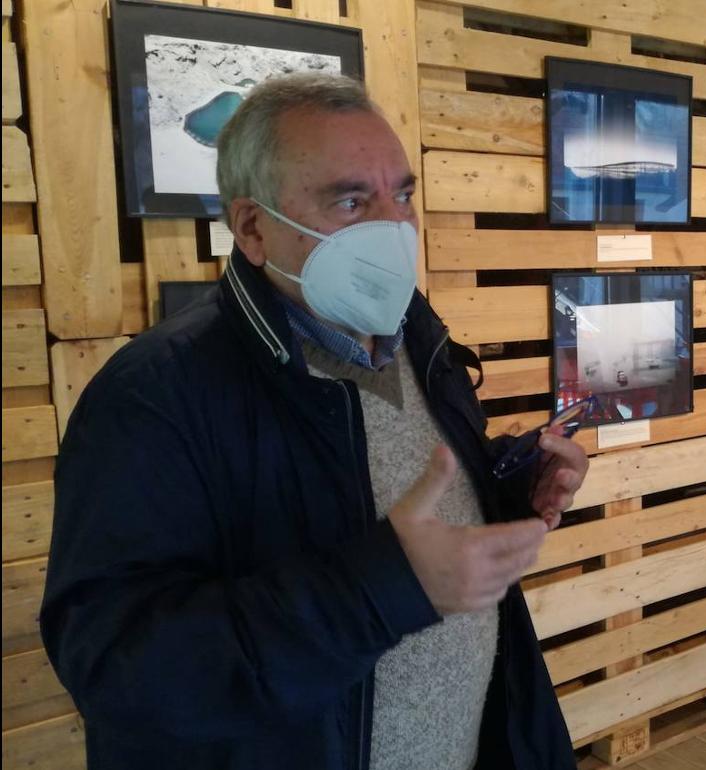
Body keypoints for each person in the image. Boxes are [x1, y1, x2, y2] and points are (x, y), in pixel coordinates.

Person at [40, 73, 587, 770]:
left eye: (404, 193)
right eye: (352, 199)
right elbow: (118, 669)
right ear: (253, 227)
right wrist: (380, 588)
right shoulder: (154, 396)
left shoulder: (417, 335)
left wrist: (509, 484)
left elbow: (396, 496)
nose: (394, 226)